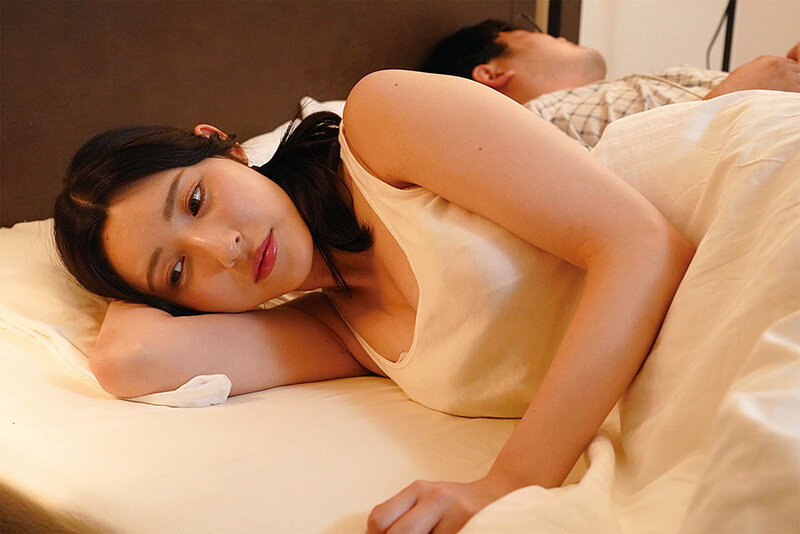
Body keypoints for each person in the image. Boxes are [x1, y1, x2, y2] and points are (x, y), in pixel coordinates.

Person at [54, 69, 694, 533]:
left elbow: (643, 245)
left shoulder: (383, 124)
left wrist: (512, 481)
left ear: (228, 147)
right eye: (177, 270)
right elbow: (128, 361)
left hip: (719, 262)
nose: (224, 250)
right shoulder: (335, 332)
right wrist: (124, 277)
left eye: (196, 200)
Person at [421, 19, 800, 149]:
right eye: (534, 33)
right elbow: (646, 194)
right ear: (491, 73)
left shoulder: (624, 90)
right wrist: (735, 96)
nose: (558, 35)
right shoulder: (531, 125)